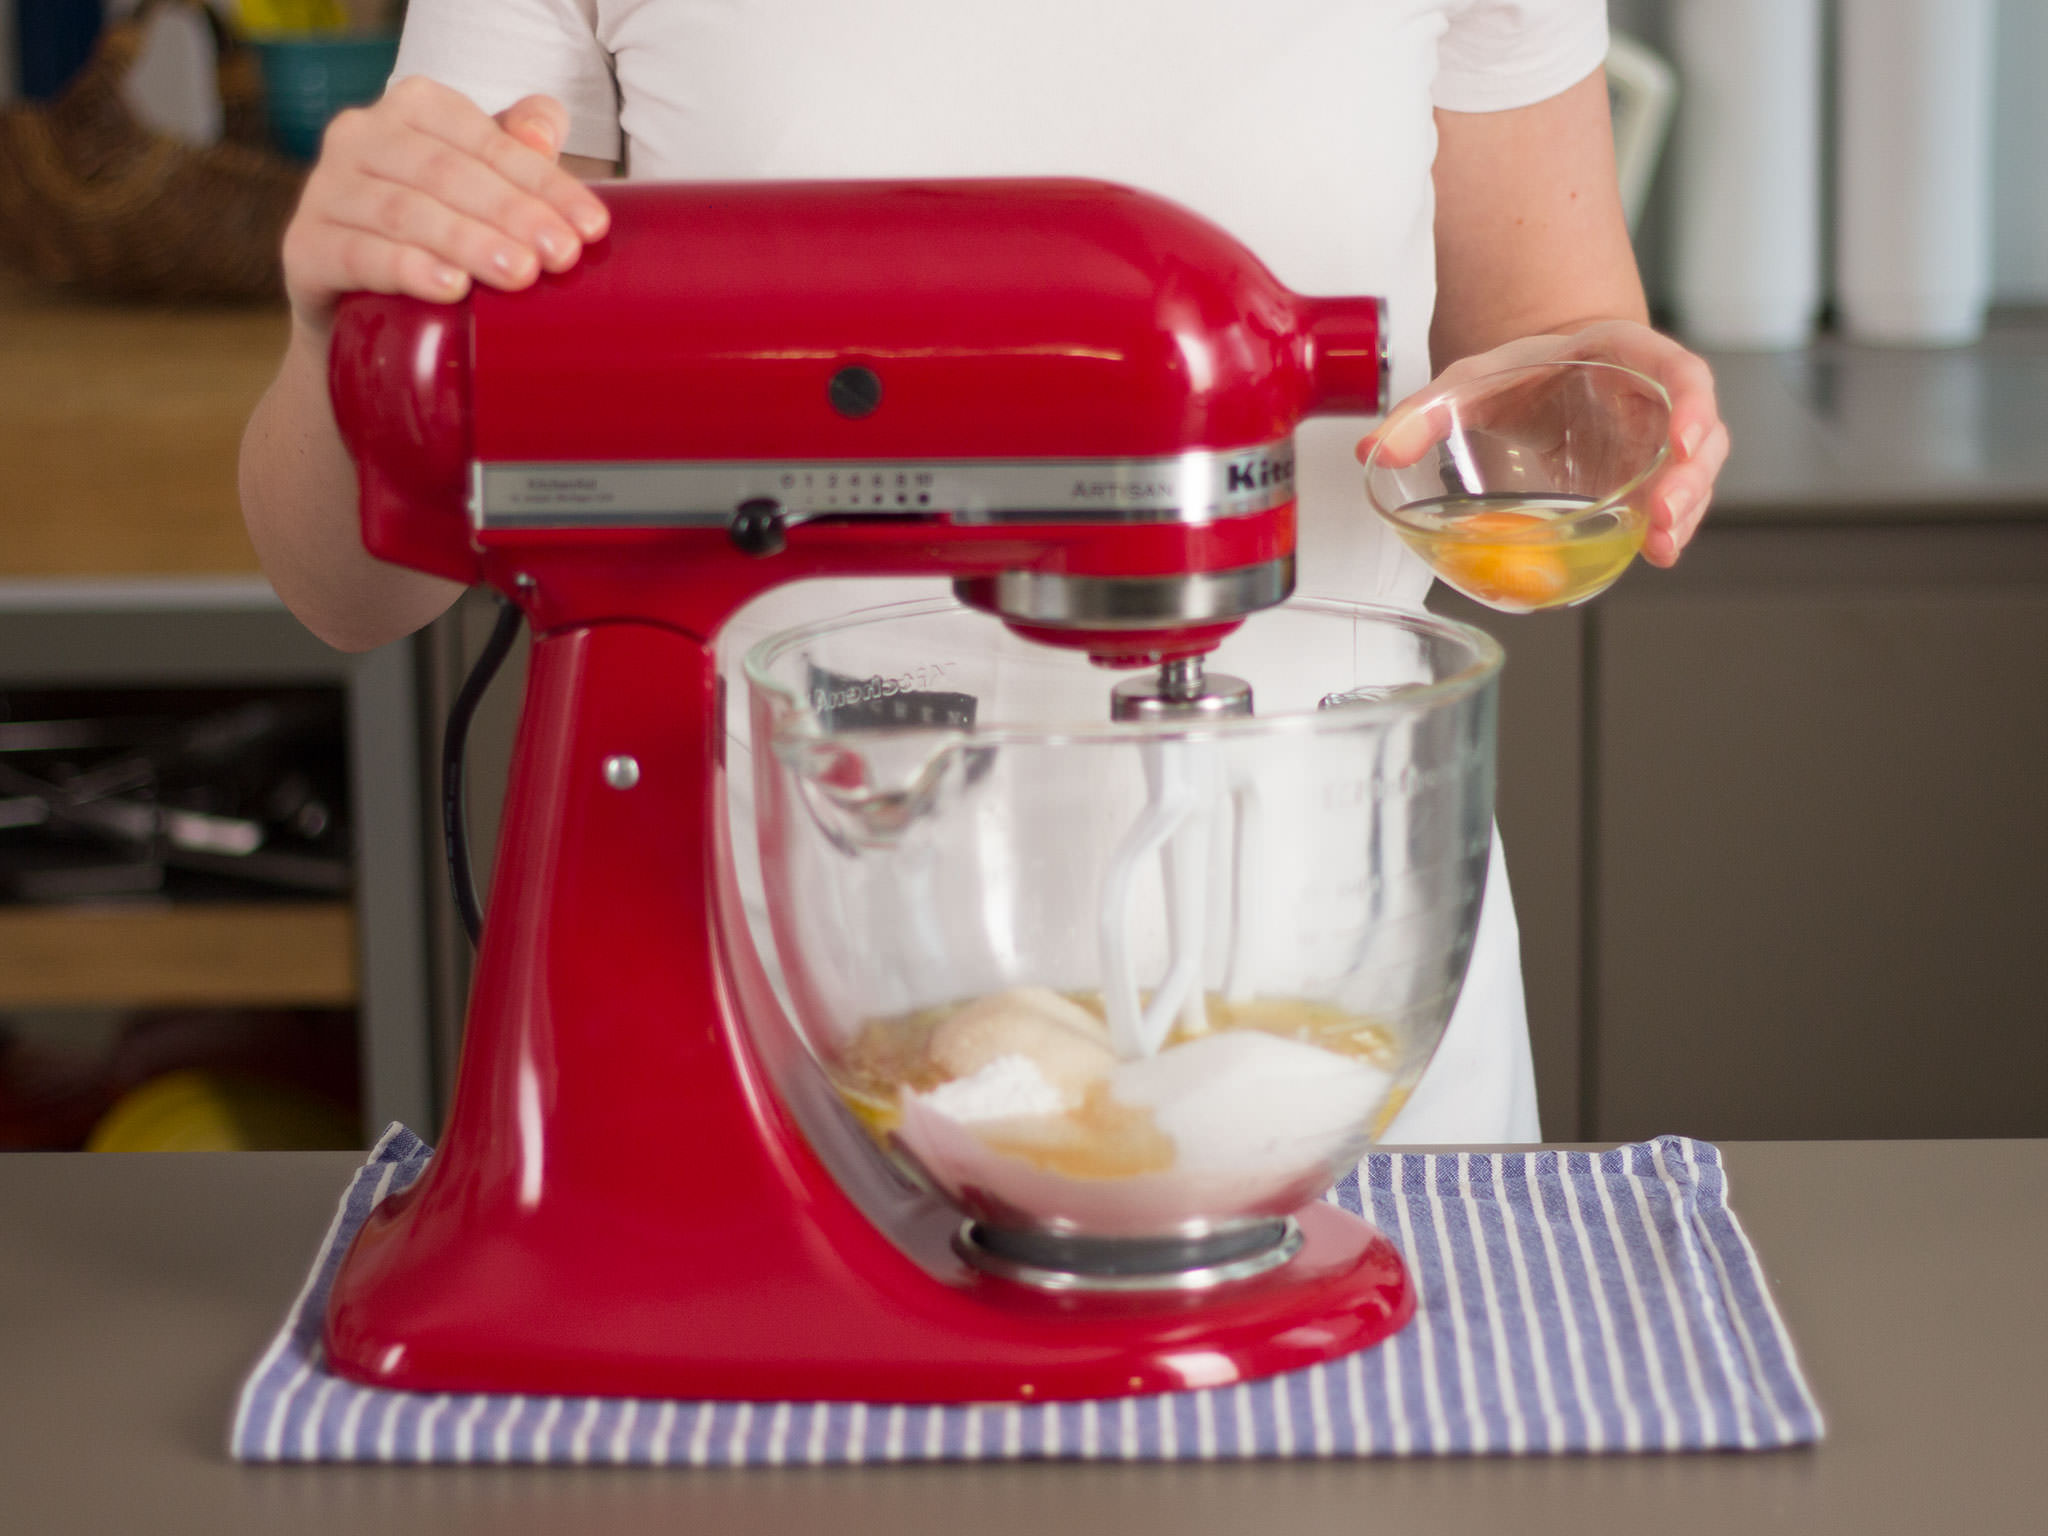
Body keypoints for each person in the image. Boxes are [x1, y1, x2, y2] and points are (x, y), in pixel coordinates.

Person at [239, 0, 1730, 1145]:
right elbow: (351, 586)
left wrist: (1598, 412)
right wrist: (341, 339)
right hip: (793, 1028)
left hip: (1336, 1035)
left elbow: (1548, 349)